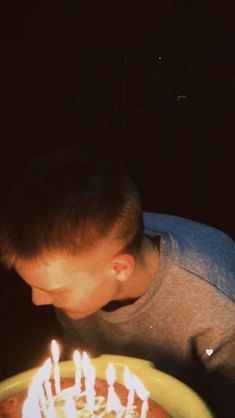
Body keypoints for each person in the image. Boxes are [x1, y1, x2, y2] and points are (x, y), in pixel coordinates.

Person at [0, 149, 234, 418]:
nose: (37, 300)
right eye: (33, 285)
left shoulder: (217, 307)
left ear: (120, 268)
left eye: (55, 291)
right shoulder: (81, 257)